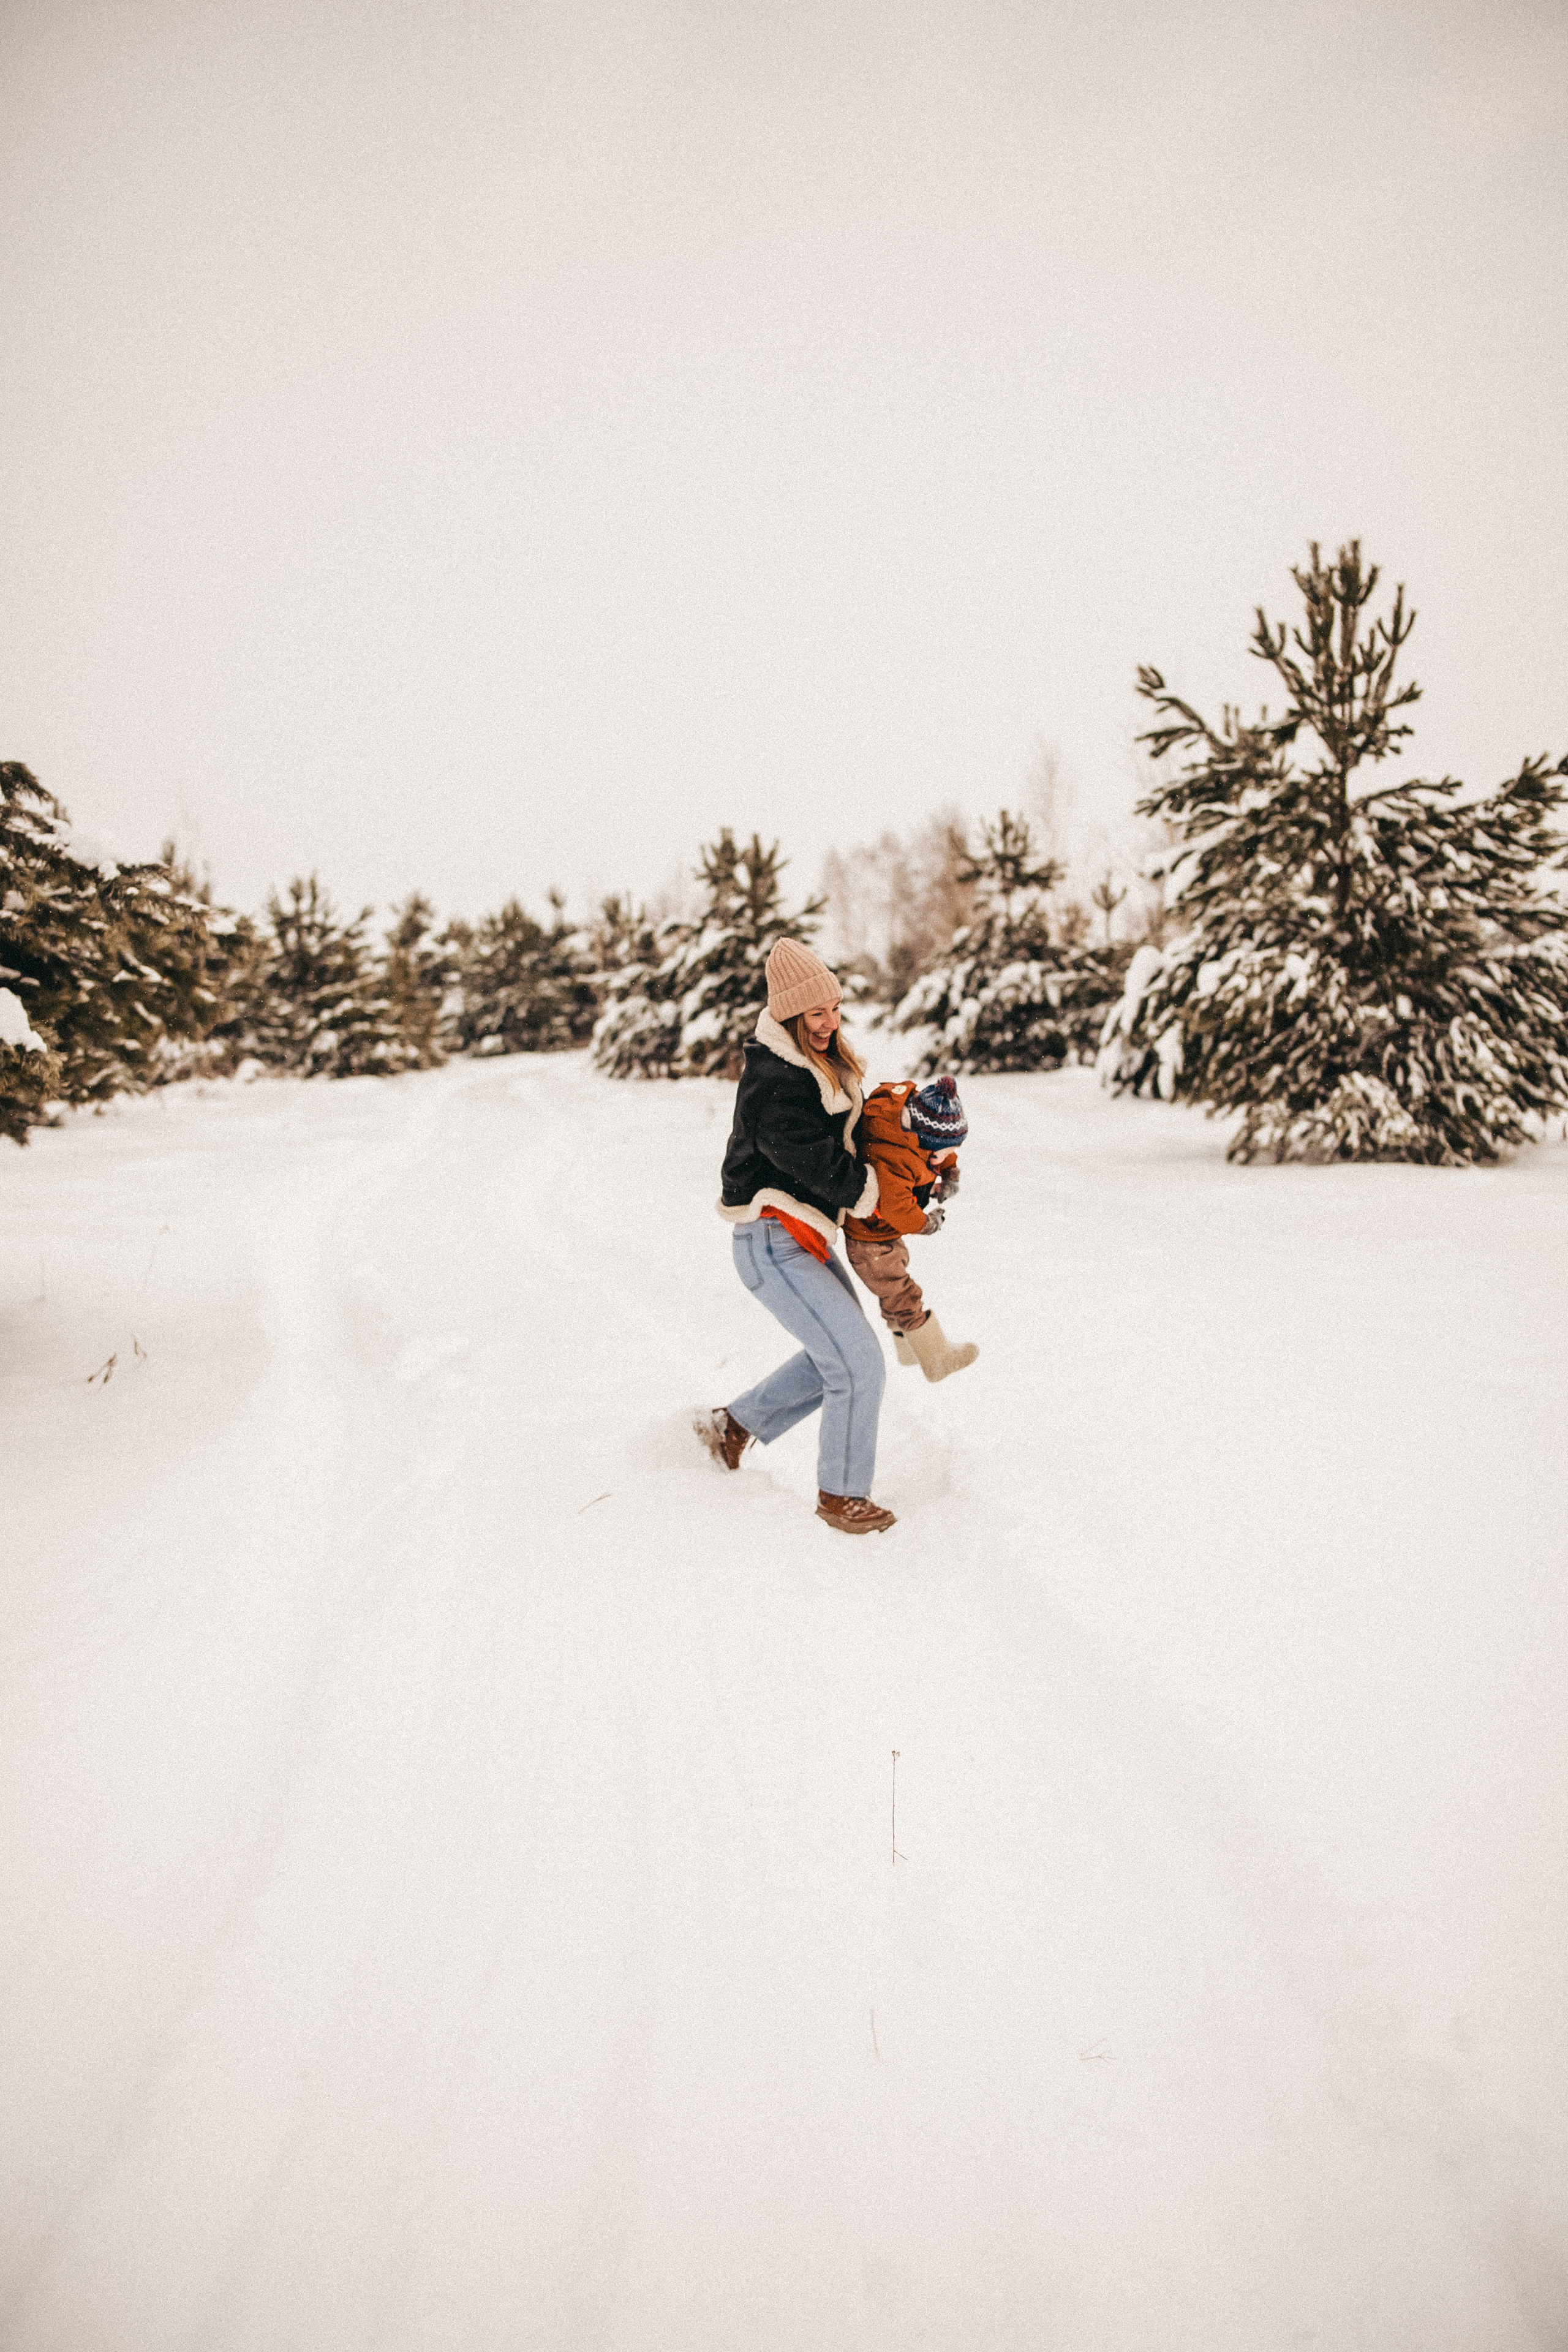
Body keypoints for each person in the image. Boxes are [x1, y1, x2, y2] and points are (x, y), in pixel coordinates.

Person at [696, 937, 897, 1535]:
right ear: (789, 1015)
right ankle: (843, 1496)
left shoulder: (812, 1065)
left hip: (799, 1240)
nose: (829, 1022)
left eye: (834, 1009)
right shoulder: (774, 1080)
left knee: (840, 1355)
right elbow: (809, 1156)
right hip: (770, 1242)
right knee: (857, 1363)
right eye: (815, 1013)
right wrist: (873, 1191)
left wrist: (912, 1158)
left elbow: (851, 1137)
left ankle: (734, 1426)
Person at [843, 1075, 979, 1382]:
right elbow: (898, 1209)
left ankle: (912, 1351)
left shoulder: (914, 1130)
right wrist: (927, 1224)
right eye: (942, 1153)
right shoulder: (892, 1156)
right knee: (903, 1294)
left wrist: (950, 1172)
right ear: (925, 1141)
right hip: (869, 1240)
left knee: (893, 1292)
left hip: (881, 1234)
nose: (944, 1157)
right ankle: (937, 1360)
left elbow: (939, 1148)